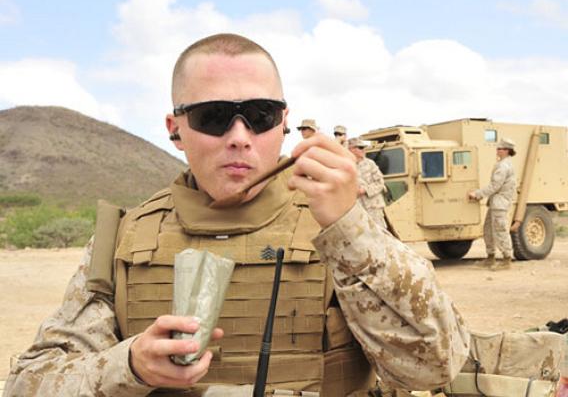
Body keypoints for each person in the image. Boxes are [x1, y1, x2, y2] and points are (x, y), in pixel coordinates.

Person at [5, 33, 470, 396]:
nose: (240, 136)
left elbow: (433, 366)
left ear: (284, 120)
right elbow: (31, 383)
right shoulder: (127, 238)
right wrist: (128, 366)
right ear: (176, 129)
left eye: (260, 115)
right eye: (214, 116)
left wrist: (349, 229)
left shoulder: (341, 225)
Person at [468, 138, 517, 271]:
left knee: (500, 230)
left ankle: (507, 259)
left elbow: (495, 186)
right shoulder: (502, 163)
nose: (497, 150)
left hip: (500, 203)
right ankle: (490, 257)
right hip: (496, 203)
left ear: (507, 151)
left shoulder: (503, 166)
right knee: (488, 230)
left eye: (500, 148)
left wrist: (477, 194)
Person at [348, 137, 388, 229]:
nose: (363, 150)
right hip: (355, 208)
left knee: (379, 233)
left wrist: (365, 190)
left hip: (373, 206)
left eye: (364, 147)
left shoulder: (370, 164)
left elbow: (380, 183)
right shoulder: (346, 165)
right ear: (351, 149)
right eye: (360, 148)